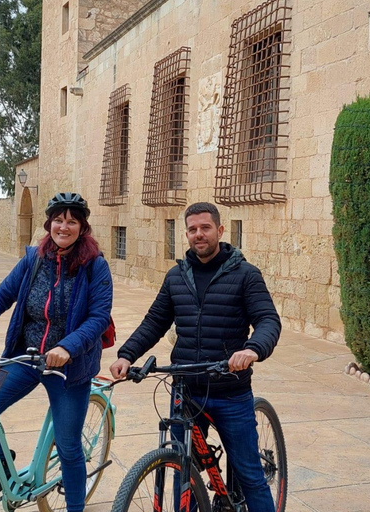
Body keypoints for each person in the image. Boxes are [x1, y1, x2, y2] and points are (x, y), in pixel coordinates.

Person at [109, 202, 281, 512]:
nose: (198, 234)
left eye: (205, 227)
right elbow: (154, 322)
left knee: (250, 475)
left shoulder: (245, 275)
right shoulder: (176, 276)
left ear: (220, 230)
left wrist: (253, 349)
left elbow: (268, 320)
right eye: (192, 229)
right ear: (185, 233)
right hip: (185, 391)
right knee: (181, 470)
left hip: (230, 391)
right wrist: (127, 355)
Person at [0, 192, 113, 512]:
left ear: (82, 228)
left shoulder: (95, 266)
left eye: (71, 221)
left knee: (68, 447)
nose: (63, 227)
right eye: (58, 220)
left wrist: (67, 347)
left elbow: (98, 317)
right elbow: (2, 295)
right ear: (48, 224)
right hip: (27, 358)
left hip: (69, 368)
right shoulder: (33, 258)